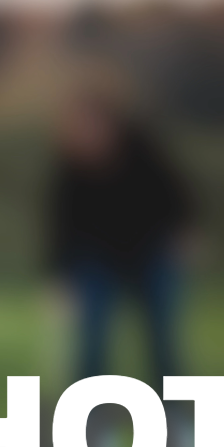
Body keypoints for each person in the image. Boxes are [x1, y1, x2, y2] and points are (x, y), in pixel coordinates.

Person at [46, 91, 196, 381]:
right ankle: (89, 417)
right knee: (92, 341)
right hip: (97, 257)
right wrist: (59, 277)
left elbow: (176, 193)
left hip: (150, 252)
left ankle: (172, 413)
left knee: (162, 340)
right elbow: (61, 224)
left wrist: (185, 232)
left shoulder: (141, 150)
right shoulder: (70, 167)